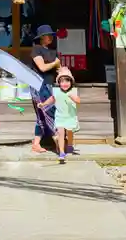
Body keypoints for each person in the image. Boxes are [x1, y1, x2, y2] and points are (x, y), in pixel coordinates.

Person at [29, 24, 61, 153]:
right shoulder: (36, 49)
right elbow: (42, 67)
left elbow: (59, 70)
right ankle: (57, 140)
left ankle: (36, 144)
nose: (51, 38)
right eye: (48, 35)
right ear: (42, 37)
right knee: (48, 111)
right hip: (38, 85)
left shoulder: (53, 52)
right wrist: (55, 63)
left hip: (49, 85)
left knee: (42, 116)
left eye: (51, 35)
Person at [39, 67, 80, 164]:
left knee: (70, 131)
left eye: (67, 81)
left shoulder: (73, 91)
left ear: (71, 82)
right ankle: (62, 152)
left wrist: (73, 97)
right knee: (60, 133)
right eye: (62, 81)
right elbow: (52, 99)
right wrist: (43, 104)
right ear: (59, 83)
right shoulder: (57, 91)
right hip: (60, 116)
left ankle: (69, 144)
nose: (65, 84)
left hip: (70, 116)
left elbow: (78, 101)